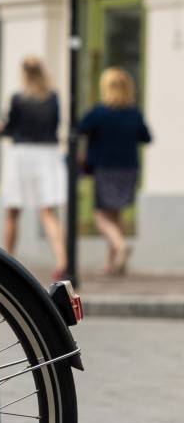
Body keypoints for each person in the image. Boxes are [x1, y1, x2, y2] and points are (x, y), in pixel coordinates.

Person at [0, 56, 68, 280]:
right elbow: (56, 125)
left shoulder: (18, 98)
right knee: (48, 212)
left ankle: (5, 260)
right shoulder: (53, 98)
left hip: (22, 154)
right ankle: (62, 261)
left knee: (12, 211)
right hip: (47, 154)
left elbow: (9, 129)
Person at [77, 67, 152, 276]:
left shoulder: (99, 112)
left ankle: (119, 246)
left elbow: (80, 128)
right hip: (128, 168)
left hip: (105, 167)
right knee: (116, 213)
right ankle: (113, 263)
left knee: (100, 215)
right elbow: (146, 137)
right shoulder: (134, 113)